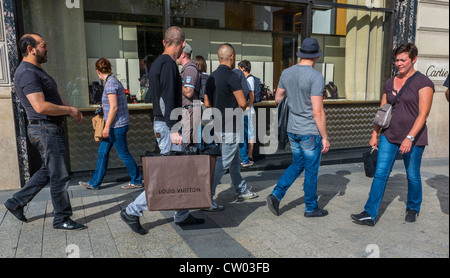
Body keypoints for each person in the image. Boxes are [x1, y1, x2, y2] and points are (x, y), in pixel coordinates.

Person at [120, 27, 204, 235]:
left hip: (163, 124)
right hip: (169, 126)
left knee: (179, 171)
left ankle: (182, 214)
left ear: (164, 42)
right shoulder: (167, 65)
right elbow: (167, 99)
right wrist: (174, 128)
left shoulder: (157, 63)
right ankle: (132, 211)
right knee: (168, 175)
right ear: (182, 44)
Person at [4, 33, 86, 231]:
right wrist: (69, 110)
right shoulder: (27, 73)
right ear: (31, 49)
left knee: (48, 172)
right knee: (59, 175)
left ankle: (16, 202)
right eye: (43, 45)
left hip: (47, 129)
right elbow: (40, 107)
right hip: (44, 129)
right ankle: (62, 218)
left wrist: (71, 109)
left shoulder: (36, 70)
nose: (46, 49)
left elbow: (54, 99)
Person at [351, 43, 435, 226]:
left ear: (413, 60)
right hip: (389, 135)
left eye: (403, 60)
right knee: (381, 173)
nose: (399, 63)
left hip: (413, 138)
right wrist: (374, 133)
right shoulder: (390, 82)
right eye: (396, 60)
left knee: (412, 175)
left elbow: (423, 114)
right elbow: (382, 111)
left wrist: (409, 138)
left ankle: (413, 207)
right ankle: (369, 213)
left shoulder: (424, 83)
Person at [266, 38, 330, 218]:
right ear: (317, 56)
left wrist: (294, 102)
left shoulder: (287, 72)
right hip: (309, 130)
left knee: (298, 163)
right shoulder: (315, 76)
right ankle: (311, 207)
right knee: (311, 170)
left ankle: (277, 194)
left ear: (300, 54)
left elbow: (278, 98)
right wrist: (325, 136)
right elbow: (317, 112)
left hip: (292, 128)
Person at [203, 43, 259, 212]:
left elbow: (207, 103)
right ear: (232, 57)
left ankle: (240, 190)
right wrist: (250, 99)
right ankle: (207, 197)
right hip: (231, 126)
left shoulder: (211, 77)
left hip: (219, 124)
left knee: (234, 162)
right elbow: (242, 103)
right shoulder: (233, 76)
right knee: (223, 163)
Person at [79, 58, 143, 190]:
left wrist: (106, 127)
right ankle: (94, 183)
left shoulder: (110, 84)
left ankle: (136, 180)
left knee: (123, 154)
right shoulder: (113, 82)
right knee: (103, 152)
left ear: (98, 72)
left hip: (116, 126)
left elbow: (114, 107)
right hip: (114, 125)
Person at [176, 43, 201, 146]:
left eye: (177, 53)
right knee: (189, 145)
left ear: (182, 54)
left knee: (187, 145)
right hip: (189, 110)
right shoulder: (187, 69)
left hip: (190, 110)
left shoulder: (189, 69)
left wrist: (177, 81)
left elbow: (189, 92)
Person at [237, 60, 257, 167]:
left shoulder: (249, 79)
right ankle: (248, 156)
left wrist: (247, 107)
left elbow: (252, 95)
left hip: (248, 110)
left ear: (243, 68)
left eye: (239, 68)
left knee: (249, 133)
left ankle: (249, 155)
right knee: (248, 132)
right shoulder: (246, 79)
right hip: (247, 110)